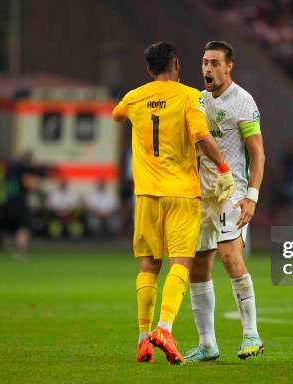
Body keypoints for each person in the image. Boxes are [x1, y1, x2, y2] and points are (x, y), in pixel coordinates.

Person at [111, 41, 233, 365]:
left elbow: (116, 115)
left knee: (148, 266)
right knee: (181, 263)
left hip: (147, 195)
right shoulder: (190, 97)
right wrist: (224, 169)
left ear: (150, 69)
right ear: (177, 65)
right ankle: (164, 327)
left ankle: (142, 339)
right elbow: (202, 137)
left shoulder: (134, 97)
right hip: (181, 193)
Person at [184, 41, 266, 362]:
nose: (208, 69)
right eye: (205, 62)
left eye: (215, 63)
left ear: (229, 66)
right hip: (200, 194)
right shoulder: (198, 101)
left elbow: (258, 154)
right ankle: (207, 344)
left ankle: (252, 334)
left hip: (230, 192)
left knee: (230, 257)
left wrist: (251, 197)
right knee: (197, 266)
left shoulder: (242, 102)